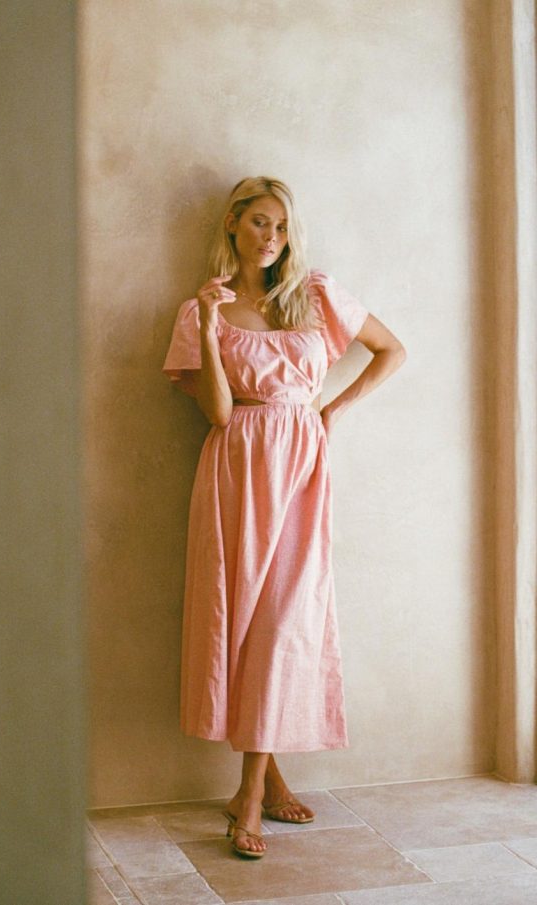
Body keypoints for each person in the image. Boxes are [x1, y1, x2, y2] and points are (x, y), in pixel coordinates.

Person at [162, 176, 406, 859]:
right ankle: (267, 782)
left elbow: (392, 349)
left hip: (301, 469)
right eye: (260, 222)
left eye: (281, 226)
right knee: (242, 622)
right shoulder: (202, 308)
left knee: (283, 622)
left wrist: (333, 409)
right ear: (233, 224)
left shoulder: (315, 294)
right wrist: (208, 325)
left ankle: (247, 795)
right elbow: (217, 412)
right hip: (237, 469)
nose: (272, 237)